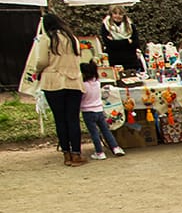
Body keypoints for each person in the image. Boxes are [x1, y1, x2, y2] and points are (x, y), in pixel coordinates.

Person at [35, 13, 86, 166]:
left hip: (53, 81)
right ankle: (77, 153)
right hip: (74, 81)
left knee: (60, 119)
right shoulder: (72, 38)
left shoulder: (47, 39)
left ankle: (66, 154)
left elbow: (42, 60)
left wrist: (37, 71)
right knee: (73, 118)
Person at [80, 61, 124, 160]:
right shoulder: (97, 83)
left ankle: (99, 152)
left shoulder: (83, 85)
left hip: (88, 111)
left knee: (94, 133)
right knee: (106, 130)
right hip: (99, 110)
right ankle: (115, 147)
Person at [99, 5, 140, 71]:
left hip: (131, 63)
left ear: (123, 15)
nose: (117, 16)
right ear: (111, 14)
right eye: (115, 13)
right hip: (114, 62)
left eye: (120, 14)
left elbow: (136, 44)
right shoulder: (106, 26)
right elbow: (108, 44)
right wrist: (127, 42)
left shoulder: (130, 25)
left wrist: (115, 42)